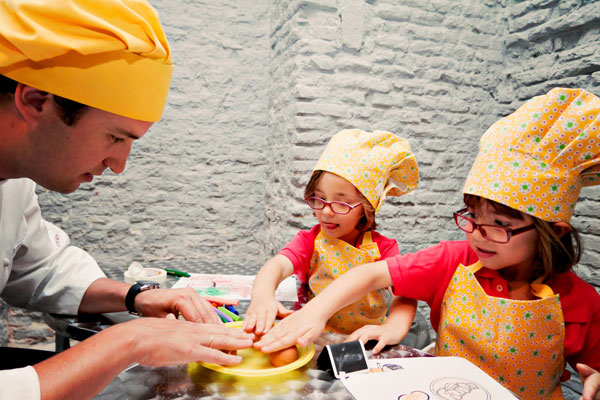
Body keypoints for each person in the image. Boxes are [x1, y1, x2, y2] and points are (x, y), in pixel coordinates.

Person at [254, 88, 600, 399]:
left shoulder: (582, 302)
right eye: (472, 217)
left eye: (500, 225)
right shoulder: (454, 261)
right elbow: (371, 276)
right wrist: (315, 313)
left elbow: (593, 367)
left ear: (553, 232)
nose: (478, 233)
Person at [0, 1, 253, 399]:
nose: (118, 165)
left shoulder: (13, 183)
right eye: (115, 138)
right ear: (35, 101)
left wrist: (136, 297)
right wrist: (128, 343)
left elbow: (41, 269)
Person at [243, 129, 420, 353]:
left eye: (341, 203)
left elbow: (405, 293)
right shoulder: (310, 241)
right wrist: (262, 296)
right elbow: (276, 266)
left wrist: (393, 327)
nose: (326, 212)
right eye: (319, 198)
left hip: (364, 344)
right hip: (314, 338)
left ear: (366, 208)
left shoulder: (384, 249)